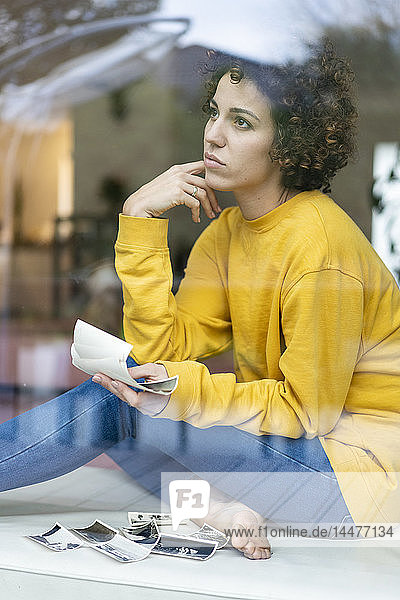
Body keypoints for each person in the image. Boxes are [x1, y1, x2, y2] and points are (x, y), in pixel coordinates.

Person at [1, 41, 399, 561]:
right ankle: (221, 510)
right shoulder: (228, 232)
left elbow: (308, 415)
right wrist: (139, 220)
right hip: (291, 455)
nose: (212, 134)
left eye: (241, 122)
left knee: (114, 408)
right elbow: (161, 351)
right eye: (214, 112)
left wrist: (178, 393)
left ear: (290, 146)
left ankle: (222, 503)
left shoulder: (320, 247)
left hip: (359, 483)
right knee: (124, 399)